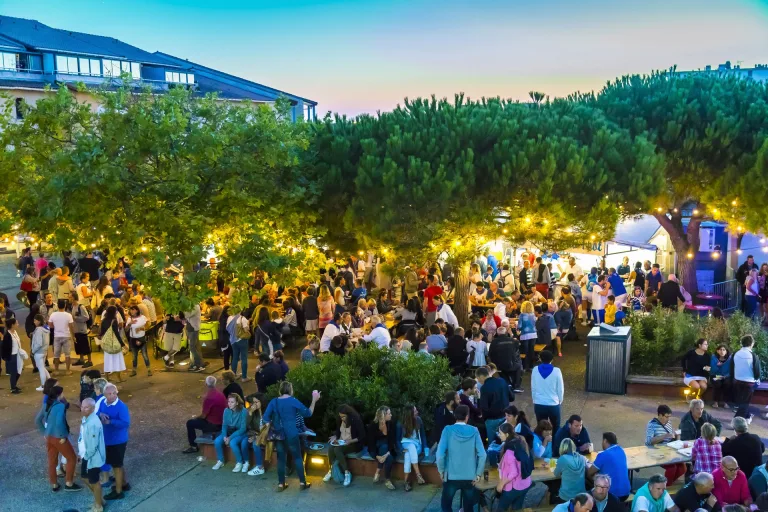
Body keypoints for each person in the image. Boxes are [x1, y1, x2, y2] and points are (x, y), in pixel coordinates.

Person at [263, 381, 321, 491]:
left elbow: (265, 417)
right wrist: (314, 400)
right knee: (298, 458)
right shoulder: (293, 401)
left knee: (281, 459)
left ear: (280, 390)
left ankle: (281, 484)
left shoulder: (273, 401)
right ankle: (303, 483)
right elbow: (308, 413)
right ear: (291, 390)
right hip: (292, 434)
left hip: (279, 435)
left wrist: (270, 423)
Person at [436, 404, 486, 512]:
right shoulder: (474, 430)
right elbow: (482, 454)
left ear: (455, 415)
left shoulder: (447, 430)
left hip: (451, 476)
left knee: (446, 505)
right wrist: (478, 474)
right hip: (469, 476)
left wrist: (441, 471)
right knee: (468, 507)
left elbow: (440, 455)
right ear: (467, 416)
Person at [35, 385, 83, 492]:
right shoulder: (60, 406)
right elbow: (59, 422)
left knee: (52, 460)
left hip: (49, 436)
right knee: (71, 458)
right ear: (59, 395)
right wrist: (62, 436)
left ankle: (54, 484)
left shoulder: (46, 405)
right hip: (58, 437)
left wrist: (44, 432)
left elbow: (37, 420)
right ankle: (69, 483)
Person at [97, 383, 131, 500]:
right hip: (108, 440)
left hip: (118, 441)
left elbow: (125, 423)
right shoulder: (103, 403)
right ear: (104, 394)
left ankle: (118, 491)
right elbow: (97, 413)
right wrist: (100, 414)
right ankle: (124, 484)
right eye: (109, 394)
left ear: (116, 393)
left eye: (113, 393)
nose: (111, 396)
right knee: (117, 464)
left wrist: (110, 422)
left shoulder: (121, 407)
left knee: (116, 466)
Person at [323, 404, 366, 487]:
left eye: (343, 417)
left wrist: (351, 441)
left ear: (349, 415)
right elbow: (338, 432)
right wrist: (335, 436)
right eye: (340, 416)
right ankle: (332, 470)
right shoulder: (340, 420)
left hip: (353, 443)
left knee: (337, 450)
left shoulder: (356, 420)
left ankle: (347, 473)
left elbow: (362, 436)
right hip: (342, 442)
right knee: (331, 448)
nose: (341, 418)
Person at [494, 421, 533, 511]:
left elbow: (514, 472)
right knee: (517, 508)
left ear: (507, 434)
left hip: (513, 487)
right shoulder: (521, 442)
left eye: (500, 433)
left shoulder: (509, 451)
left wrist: (501, 484)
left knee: (501, 509)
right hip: (525, 484)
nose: (499, 435)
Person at [183, 376, 226, 454]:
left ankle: (193, 446)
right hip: (221, 421)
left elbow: (203, 416)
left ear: (206, 384)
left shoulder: (209, 397)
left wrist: (196, 417)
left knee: (190, 423)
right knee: (201, 422)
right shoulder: (220, 394)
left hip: (215, 424)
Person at [79, 397, 106, 511]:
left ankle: (99, 506)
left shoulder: (93, 423)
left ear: (93, 408)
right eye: (82, 406)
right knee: (85, 477)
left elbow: (93, 446)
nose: (83, 409)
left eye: (87, 407)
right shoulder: (87, 419)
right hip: (86, 455)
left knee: (94, 482)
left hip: (92, 458)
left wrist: (85, 456)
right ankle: (99, 500)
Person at [587, 432, 631, 500]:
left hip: (612, 495)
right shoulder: (621, 450)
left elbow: (589, 472)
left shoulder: (603, 455)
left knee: (588, 478)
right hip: (626, 493)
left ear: (605, 441)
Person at [211, 393, 248, 472]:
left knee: (232, 442)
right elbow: (224, 425)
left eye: (232, 402)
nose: (229, 404)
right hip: (229, 431)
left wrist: (230, 438)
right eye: (229, 402)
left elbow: (243, 429)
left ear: (237, 403)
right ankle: (220, 461)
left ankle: (239, 462)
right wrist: (224, 436)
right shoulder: (226, 410)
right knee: (217, 441)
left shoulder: (243, 411)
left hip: (239, 432)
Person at [396, 404, 428, 492]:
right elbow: (397, 440)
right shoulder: (401, 423)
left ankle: (406, 482)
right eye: (415, 411)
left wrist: (425, 447)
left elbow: (423, 435)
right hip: (405, 443)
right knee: (410, 447)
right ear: (409, 414)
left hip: (417, 445)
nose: (417, 412)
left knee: (408, 454)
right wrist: (401, 449)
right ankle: (418, 475)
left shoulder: (418, 420)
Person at [723, 416, 765, 481]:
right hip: (758, 473)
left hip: (743, 475)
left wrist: (728, 440)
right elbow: (762, 449)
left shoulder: (733, 442)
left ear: (735, 429)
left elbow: (724, 454)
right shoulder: (756, 437)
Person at [531, 350, 564, 431]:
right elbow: (560, 388)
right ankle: (554, 442)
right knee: (556, 427)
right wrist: (560, 400)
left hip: (539, 403)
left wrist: (534, 399)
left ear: (540, 359)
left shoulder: (535, 370)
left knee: (541, 428)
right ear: (552, 359)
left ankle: (542, 442)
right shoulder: (557, 371)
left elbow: (533, 387)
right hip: (553, 404)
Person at [731, 335, 760, 422]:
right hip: (749, 382)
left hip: (737, 381)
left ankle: (747, 417)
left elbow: (732, 368)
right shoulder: (753, 355)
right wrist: (757, 379)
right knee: (745, 403)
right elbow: (757, 371)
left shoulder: (736, 353)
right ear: (751, 343)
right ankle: (735, 421)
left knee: (742, 401)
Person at [477, 365, 511, 439]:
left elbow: (484, 407)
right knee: (505, 440)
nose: (478, 381)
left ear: (481, 376)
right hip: (505, 416)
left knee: (492, 443)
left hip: (491, 420)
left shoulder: (484, 388)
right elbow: (511, 397)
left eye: (478, 378)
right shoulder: (502, 381)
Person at [368, 406, 397, 490]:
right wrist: (377, 456)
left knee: (386, 450)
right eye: (389, 413)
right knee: (389, 457)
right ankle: (387, 480)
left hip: (388, 449)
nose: (391, 415)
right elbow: (371, 444)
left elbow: (392, 441)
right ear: (383, 415)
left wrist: (387, 454)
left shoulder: (391, 424)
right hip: (375, 450)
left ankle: (378, 471)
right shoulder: (373, 426)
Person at [489, 324, 523, 393]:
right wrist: (512, 335)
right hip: (511, 363)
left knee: (502, 369)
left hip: (499, 365)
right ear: (505, 332)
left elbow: (490, 353)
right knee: (519, 366)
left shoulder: (494, 342)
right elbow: (518, 346)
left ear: (497, 333)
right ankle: (516, 386)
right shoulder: (512, 340)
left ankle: (508, 383)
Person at [243, 393, 268, 476]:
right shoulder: (253, 412)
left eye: (256, 402)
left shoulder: (267, 412)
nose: (254, 404)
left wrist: (256, 437)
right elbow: (246, 425)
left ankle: (260, 467)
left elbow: (268, 429)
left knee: (255, 444)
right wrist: (250, 413)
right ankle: (245, 463)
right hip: (256, 434)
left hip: (267, 435)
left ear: (262, 402)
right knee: (244, 442)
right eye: (253, 402)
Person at [49, 299, 75, 375]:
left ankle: (56, 370)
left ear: (57, 305)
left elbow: (50, 324)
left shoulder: (53, 314)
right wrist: (73, 336)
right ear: (65, 305)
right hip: (66, 336)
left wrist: (56, 326)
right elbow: (71, 326)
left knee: (56, 354)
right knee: (67, 354)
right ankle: (67, 370)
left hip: (57, 336)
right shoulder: (68, 315)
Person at [100, 306, 126, 381]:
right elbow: (116, 333)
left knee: (107, 361)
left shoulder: (104, 320)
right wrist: (122, 344)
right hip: (114, 343)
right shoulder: (114, 321)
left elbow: (102, 332)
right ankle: (119, 378)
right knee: (117, 360)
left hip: (107, 344)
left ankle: (107, 378)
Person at [226, 307, 251, 382]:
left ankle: (233, 375)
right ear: (240, 311)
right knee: (244, 358)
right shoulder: (242, 318)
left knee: (235, 358)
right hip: (242, 340)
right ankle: (244, 377)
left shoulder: (229, 318)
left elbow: (227, 328)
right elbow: (246, 329)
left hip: (233, 340)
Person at [125, 305, 151, 377]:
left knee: (145, 355)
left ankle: (149, 369)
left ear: (137, 310)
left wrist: (141, 329)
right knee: (134, 356)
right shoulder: (129, 319)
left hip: (141, 338)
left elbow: (148, 325)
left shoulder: (142, 318)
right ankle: (134, 370)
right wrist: (130, 324)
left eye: (133, 310)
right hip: (133, 339)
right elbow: (126, 330)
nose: (131, 311)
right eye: (131, 310)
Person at [1, 318, 23, 393]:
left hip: (18, 354)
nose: (18, 324)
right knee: (13, 372)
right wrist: (6, 357)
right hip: (12, 355)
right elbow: (5, 347)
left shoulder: (15, 332)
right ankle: (13, 388)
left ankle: (14, 385)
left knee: (19, 370)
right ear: (12, 325)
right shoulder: (7, 335)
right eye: (16, 323)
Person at [30, 313, 50, 391]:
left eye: (35, 320)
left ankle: (43, 386)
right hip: (44, 351)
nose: (34, 322)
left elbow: (38, 343)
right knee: (43, 368)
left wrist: (33, 351)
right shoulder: (46, 329)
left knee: (41, 369)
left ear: (38, 321)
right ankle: (50, 381)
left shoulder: (38, 330)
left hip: (38, 352)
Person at [711, 345, 732, 409]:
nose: (722, 351)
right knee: (717, 383)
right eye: (720, 350)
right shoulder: (713, 358)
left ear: (726, 351)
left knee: (727, 383)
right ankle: (715, 402)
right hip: (716, 376)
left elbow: (731, 370)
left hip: (726, 376)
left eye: (724, 350)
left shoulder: (730, 359)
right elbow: (712, 370)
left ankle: (725, 402)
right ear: (717, 351)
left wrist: (726, 376)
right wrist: (717, 366)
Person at [184, 303, 204, 372]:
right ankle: (195, 364)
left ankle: (199, 365)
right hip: (190, 328)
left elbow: (187, 315)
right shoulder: (191, 305)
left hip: (193, 329)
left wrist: (182, 310)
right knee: (193, 347)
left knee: (193, 347)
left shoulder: (195, 306)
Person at [517, 301, 537, 369]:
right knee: (531, 351)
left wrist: (517, 327)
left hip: (525, 334)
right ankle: (531, 366)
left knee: (525, 351)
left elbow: (519, 326)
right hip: (534, 334)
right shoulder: (533, 314)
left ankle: (525, 367)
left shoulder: (522, 315)